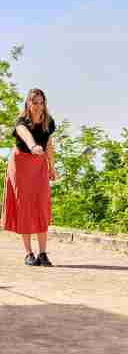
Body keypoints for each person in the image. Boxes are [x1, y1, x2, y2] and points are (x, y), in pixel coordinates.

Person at [1, 88, 57, 266]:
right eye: (34, 103)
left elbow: (48, 144)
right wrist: (33, 146)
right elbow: (25, 136)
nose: (38, 107)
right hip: (21, 164)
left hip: (39, 164)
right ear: (28, 103)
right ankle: (28, 253)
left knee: (41, 204)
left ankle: (42, 253)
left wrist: (52, 167)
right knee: (24, 205)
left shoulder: (48, 121)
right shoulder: (21, 121)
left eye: (41, 103)